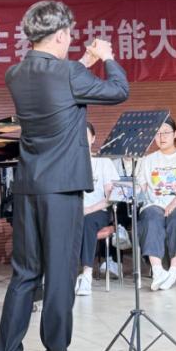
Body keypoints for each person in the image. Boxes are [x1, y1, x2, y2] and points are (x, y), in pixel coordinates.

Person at [0, 0, 129, 351]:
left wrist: (84, 62)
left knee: (24, 275)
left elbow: (59, 86)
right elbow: (119, 90)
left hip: (28, 187)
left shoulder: (16, 73)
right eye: (69, 34)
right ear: (60, 35)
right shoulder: (69, 73)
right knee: (60, 275)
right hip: (62, 189)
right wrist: (107, 57)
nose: (71, 40)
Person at [134, 118, 176, 291]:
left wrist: (174, 203)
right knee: (150, 219)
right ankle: (157, 271)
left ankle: (173, 270)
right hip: (154, 204)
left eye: (166, 132)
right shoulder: (147, 160)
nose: (162, 137)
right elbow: (142, 187)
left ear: (175, 134)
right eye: (158, 133)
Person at [75, 123, 122, 296]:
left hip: (99, 212)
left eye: (86, 135)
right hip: (74, 213)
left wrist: (89, 209)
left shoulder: (103, 163)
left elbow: (111, 197)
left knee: (87, 221)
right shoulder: (68, 163)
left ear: (93, 138)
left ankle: (86, 275)